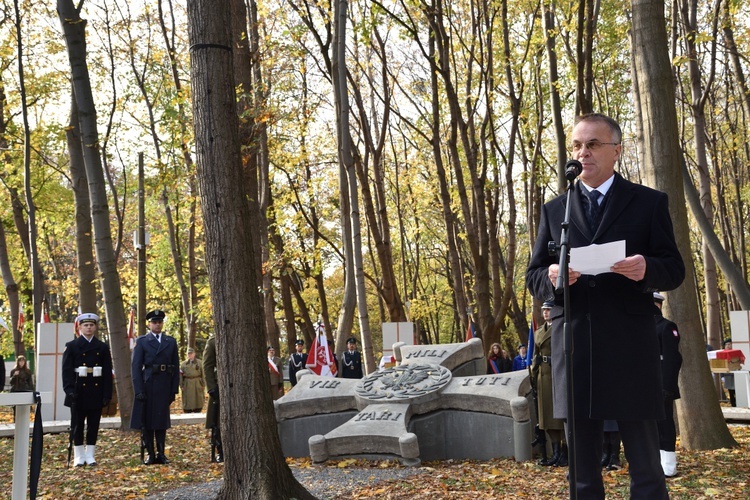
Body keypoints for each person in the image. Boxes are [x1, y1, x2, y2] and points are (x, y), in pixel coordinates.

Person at [526, 113, 685, 499]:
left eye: (593, 145)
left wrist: (647, 268)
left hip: (631, 343)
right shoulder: (555, 210)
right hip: (575, 344)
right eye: (578, 146)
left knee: (645, 462)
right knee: (581, 466)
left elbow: (674, 269)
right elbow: (532, 277)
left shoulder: (648, 203)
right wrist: (551, 278)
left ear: (616, 150)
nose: (584, 153)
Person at [62, 313, 113, 466]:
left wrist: (107, 394)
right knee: (77, 424)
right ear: (80, 327)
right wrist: (69, 390)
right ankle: (79, 455)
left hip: (96, 390)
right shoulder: (71, 346)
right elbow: (67, 371)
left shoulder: (102, 347)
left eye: (91, 325)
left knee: (93, 424)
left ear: (95, 327)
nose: (89, 328)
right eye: (85, 325)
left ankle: (90, 455)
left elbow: (107, 372)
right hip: (78, 390)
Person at [130, 309, 180, 465]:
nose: (157, 325)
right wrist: (138, 390)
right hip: (148, 383)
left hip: (164, 384)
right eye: (154, 322)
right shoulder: (142, 341)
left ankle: (161, 453)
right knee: (147, 421)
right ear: (149, 324)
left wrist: (174, 389)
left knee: (161, 421)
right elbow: (136, 367)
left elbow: (175, 366)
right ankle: (150, 453)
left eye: (159, 322)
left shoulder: (170, 342)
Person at [531, 300, 567, 467]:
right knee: (547, 415)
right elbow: (535, 354)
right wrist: (534, 372)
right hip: (543, 375)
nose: (545, 313)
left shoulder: (562, 326)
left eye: (548, 309)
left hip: (557, 373)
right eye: (544, 310)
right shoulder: (539, 332)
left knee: (560, 415)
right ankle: (555, 452)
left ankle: (565, 452)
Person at [653, 292, 682, 477]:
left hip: (662, 384)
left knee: (664, 425)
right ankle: (654, 462)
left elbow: (673, 359)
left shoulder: (666, 327)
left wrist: (668, 387)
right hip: (645, 385)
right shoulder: (641, 328)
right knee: (650, 425)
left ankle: (668, 465)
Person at [203, 335, 223, 462]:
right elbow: (207, 366)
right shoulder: (213, 341)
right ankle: (221, 450)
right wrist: (211, 387)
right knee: (219, 421)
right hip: (220, 387)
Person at [180, 347, 205, 413]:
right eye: (188, 354)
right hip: (187, 383)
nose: (189, 355)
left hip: (197, 382)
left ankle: (198, 410)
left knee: (198, 398)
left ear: (194, 354)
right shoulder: (183, 364)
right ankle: (187, 410)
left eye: (191, 353)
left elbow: (203, 374)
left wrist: (203, 384)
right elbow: (180, 376)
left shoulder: (200, 363)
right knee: (187, 398)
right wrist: (181, 385)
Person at [721, 339, 736, 407]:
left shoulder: (736, 353)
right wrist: (722, 376)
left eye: (730, 344)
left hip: (736, 375)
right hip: (727, 376)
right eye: (727, 344)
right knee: (731, 392)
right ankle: (733, 405)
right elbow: (721, 365)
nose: (728, 346)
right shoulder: (723, 354)